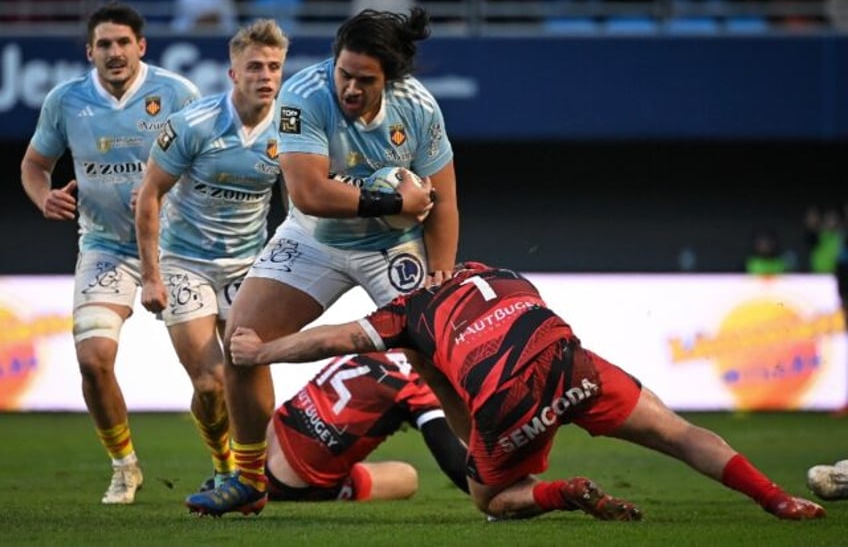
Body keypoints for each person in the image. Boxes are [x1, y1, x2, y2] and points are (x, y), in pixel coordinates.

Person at [225, 261, 827, 521]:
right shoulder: (503, 272)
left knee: (489, 500)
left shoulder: (405, 314)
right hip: (569, 357)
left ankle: (563, 491)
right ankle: (776, 499)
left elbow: (334, 340)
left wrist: (262, 351)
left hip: (505, 394)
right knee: (677, 432)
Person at [185, 6, 459, 515]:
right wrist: (396, 203)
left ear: (390, 80)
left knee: (438, 355)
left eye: (365, 80)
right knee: (243, 342)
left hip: (392, 249)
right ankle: (249, 479)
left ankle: (491, 470)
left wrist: (440, 275)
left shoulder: (419, 108)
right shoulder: (303, 97)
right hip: (315, 239)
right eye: (344, 74)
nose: (350, 89)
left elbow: (444, 202)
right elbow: (308, 193)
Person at [19, 1, 201, 504]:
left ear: (141, 47)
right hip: (105, 247)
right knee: (93, 361)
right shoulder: (65, 100)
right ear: (90, 52)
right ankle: (125, 467)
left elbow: (207, 159)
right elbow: (34, 165)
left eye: (124, 43)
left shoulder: (177, 94)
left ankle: (231, 466)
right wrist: (43, 196)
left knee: (207, 377)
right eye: (104, 44)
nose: (115, 52)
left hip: (176, 248)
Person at [134, 18, 289, 491]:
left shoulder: (292, 126)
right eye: (255, 67)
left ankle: (250, 474)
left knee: (250, 372)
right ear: (232, 73)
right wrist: (150, 275)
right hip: (186, 264)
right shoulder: (191, 125)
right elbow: (148, 196)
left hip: (249, 266)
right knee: (210, 384)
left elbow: (305, 197)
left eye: (274, 67)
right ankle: (225, 468)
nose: (266, 76)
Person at [261, 351, 468, 505]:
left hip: (266, 442)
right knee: (406, 477)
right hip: (293, 481)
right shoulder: (417, 383)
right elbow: (453, 462)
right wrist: (494, 490)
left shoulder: (385, 340)